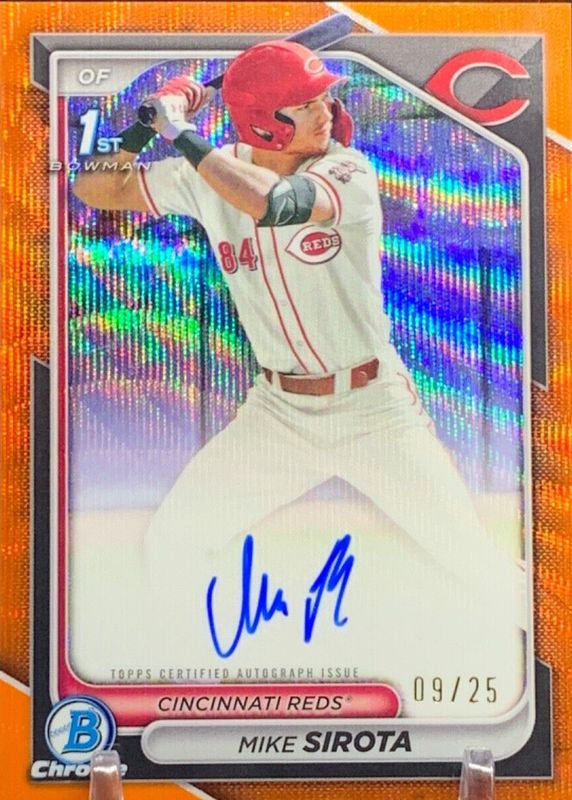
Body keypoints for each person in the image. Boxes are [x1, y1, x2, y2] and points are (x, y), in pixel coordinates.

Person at [73, 40, 526, 630]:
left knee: (470, 559)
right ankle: (199, 658)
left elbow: (273, 203)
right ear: (265, 121)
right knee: (174, 541)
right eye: (307, 103)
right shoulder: (207, 174)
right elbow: (95, 189)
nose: (325, 111)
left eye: (324, 98)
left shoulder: (346, 170)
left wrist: (179, 132)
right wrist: (144, 127)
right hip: (279, 413)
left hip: (373, 408)